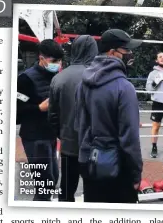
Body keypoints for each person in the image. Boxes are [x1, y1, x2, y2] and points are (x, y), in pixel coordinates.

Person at [74, 29, 143, 203]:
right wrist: (135, 175)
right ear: (112, 52)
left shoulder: (83, 83)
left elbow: (79, 125)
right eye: (126, 50)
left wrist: (83, 160)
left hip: (90, 163)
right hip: (118, 169)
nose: (130, 54)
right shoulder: (124, 88)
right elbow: (130, 139)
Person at [48, 35, 98, 202]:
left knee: (67, 189)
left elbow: (53, 116)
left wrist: (62, 134)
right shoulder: (97, 76)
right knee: (93, 190)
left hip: (68, 144)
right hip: (93, 145)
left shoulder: (59, 78)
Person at [16, 39, 64, 201]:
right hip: (34, 137)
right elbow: (15, 112)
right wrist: (38, 108)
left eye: (60, 61)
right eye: (54, 61)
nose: (57, 64)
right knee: (44, 183)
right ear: (41, 58)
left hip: (50, 136)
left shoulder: (56, 77)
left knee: (53, 179)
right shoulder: (25, 80)